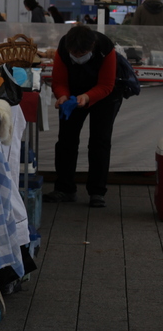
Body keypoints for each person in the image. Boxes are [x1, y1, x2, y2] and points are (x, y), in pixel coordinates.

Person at [44, 24, 123, 208]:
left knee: (99, 142)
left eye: (83, 54)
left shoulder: (105, 47)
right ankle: (65, 188)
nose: (78, 57)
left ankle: (97, 192)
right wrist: (62, 96)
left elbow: (106, 85)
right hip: (72, 95)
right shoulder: (63, 47)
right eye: (74, 54)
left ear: (92, 47)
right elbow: (59, 81)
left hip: (105, 97)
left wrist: (87, 97)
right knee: (66, 141)